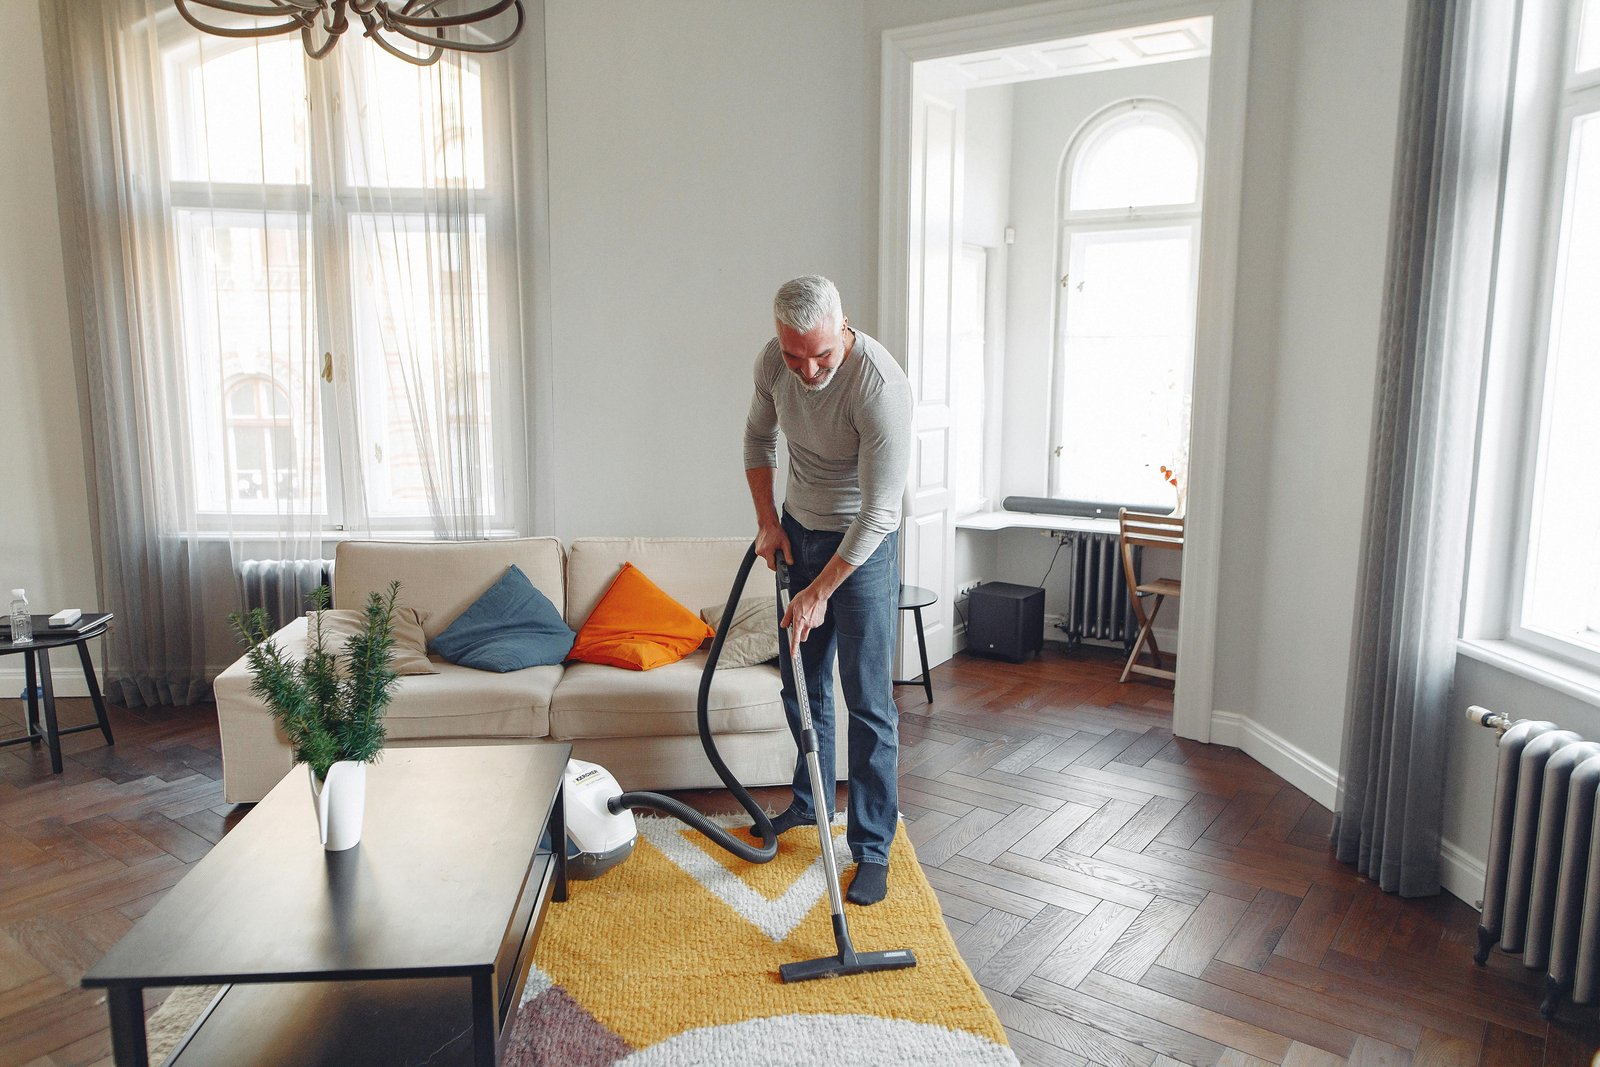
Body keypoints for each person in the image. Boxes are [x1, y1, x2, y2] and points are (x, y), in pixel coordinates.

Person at [743, 274, 913, 906]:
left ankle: (871, 847)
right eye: (794, 356)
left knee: (867, 702)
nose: (807, 370)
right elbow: (758, 440)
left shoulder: (879, 385)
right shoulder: (773, 361)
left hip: (862, 550)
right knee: (800, 682)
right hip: (798, 529)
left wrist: (818, 591)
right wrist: (768, 522)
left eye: (821, 355)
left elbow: (879, 513)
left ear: (844, 328)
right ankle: (811, 804)